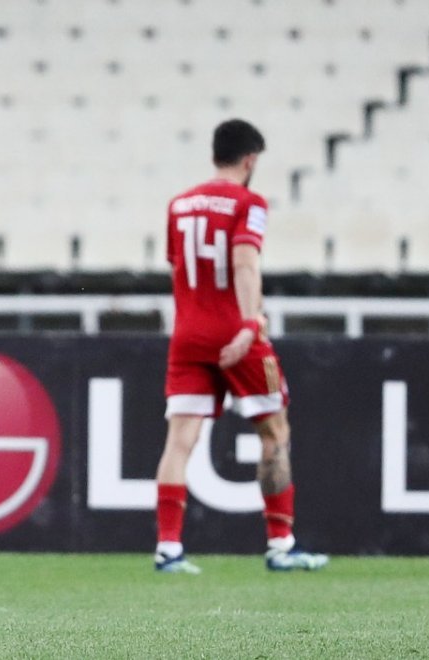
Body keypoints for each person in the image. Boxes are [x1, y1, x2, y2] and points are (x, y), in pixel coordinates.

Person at [152, 119, 328, 574]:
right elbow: (245, 263)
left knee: (179, 441)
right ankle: (281, 544)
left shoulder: (179, 204)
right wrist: (251, 324)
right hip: (236, 334)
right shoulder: (249, 203)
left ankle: (168, 548)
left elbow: (177, 267)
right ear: (250, 160)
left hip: (188, 335)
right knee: (275, 432)